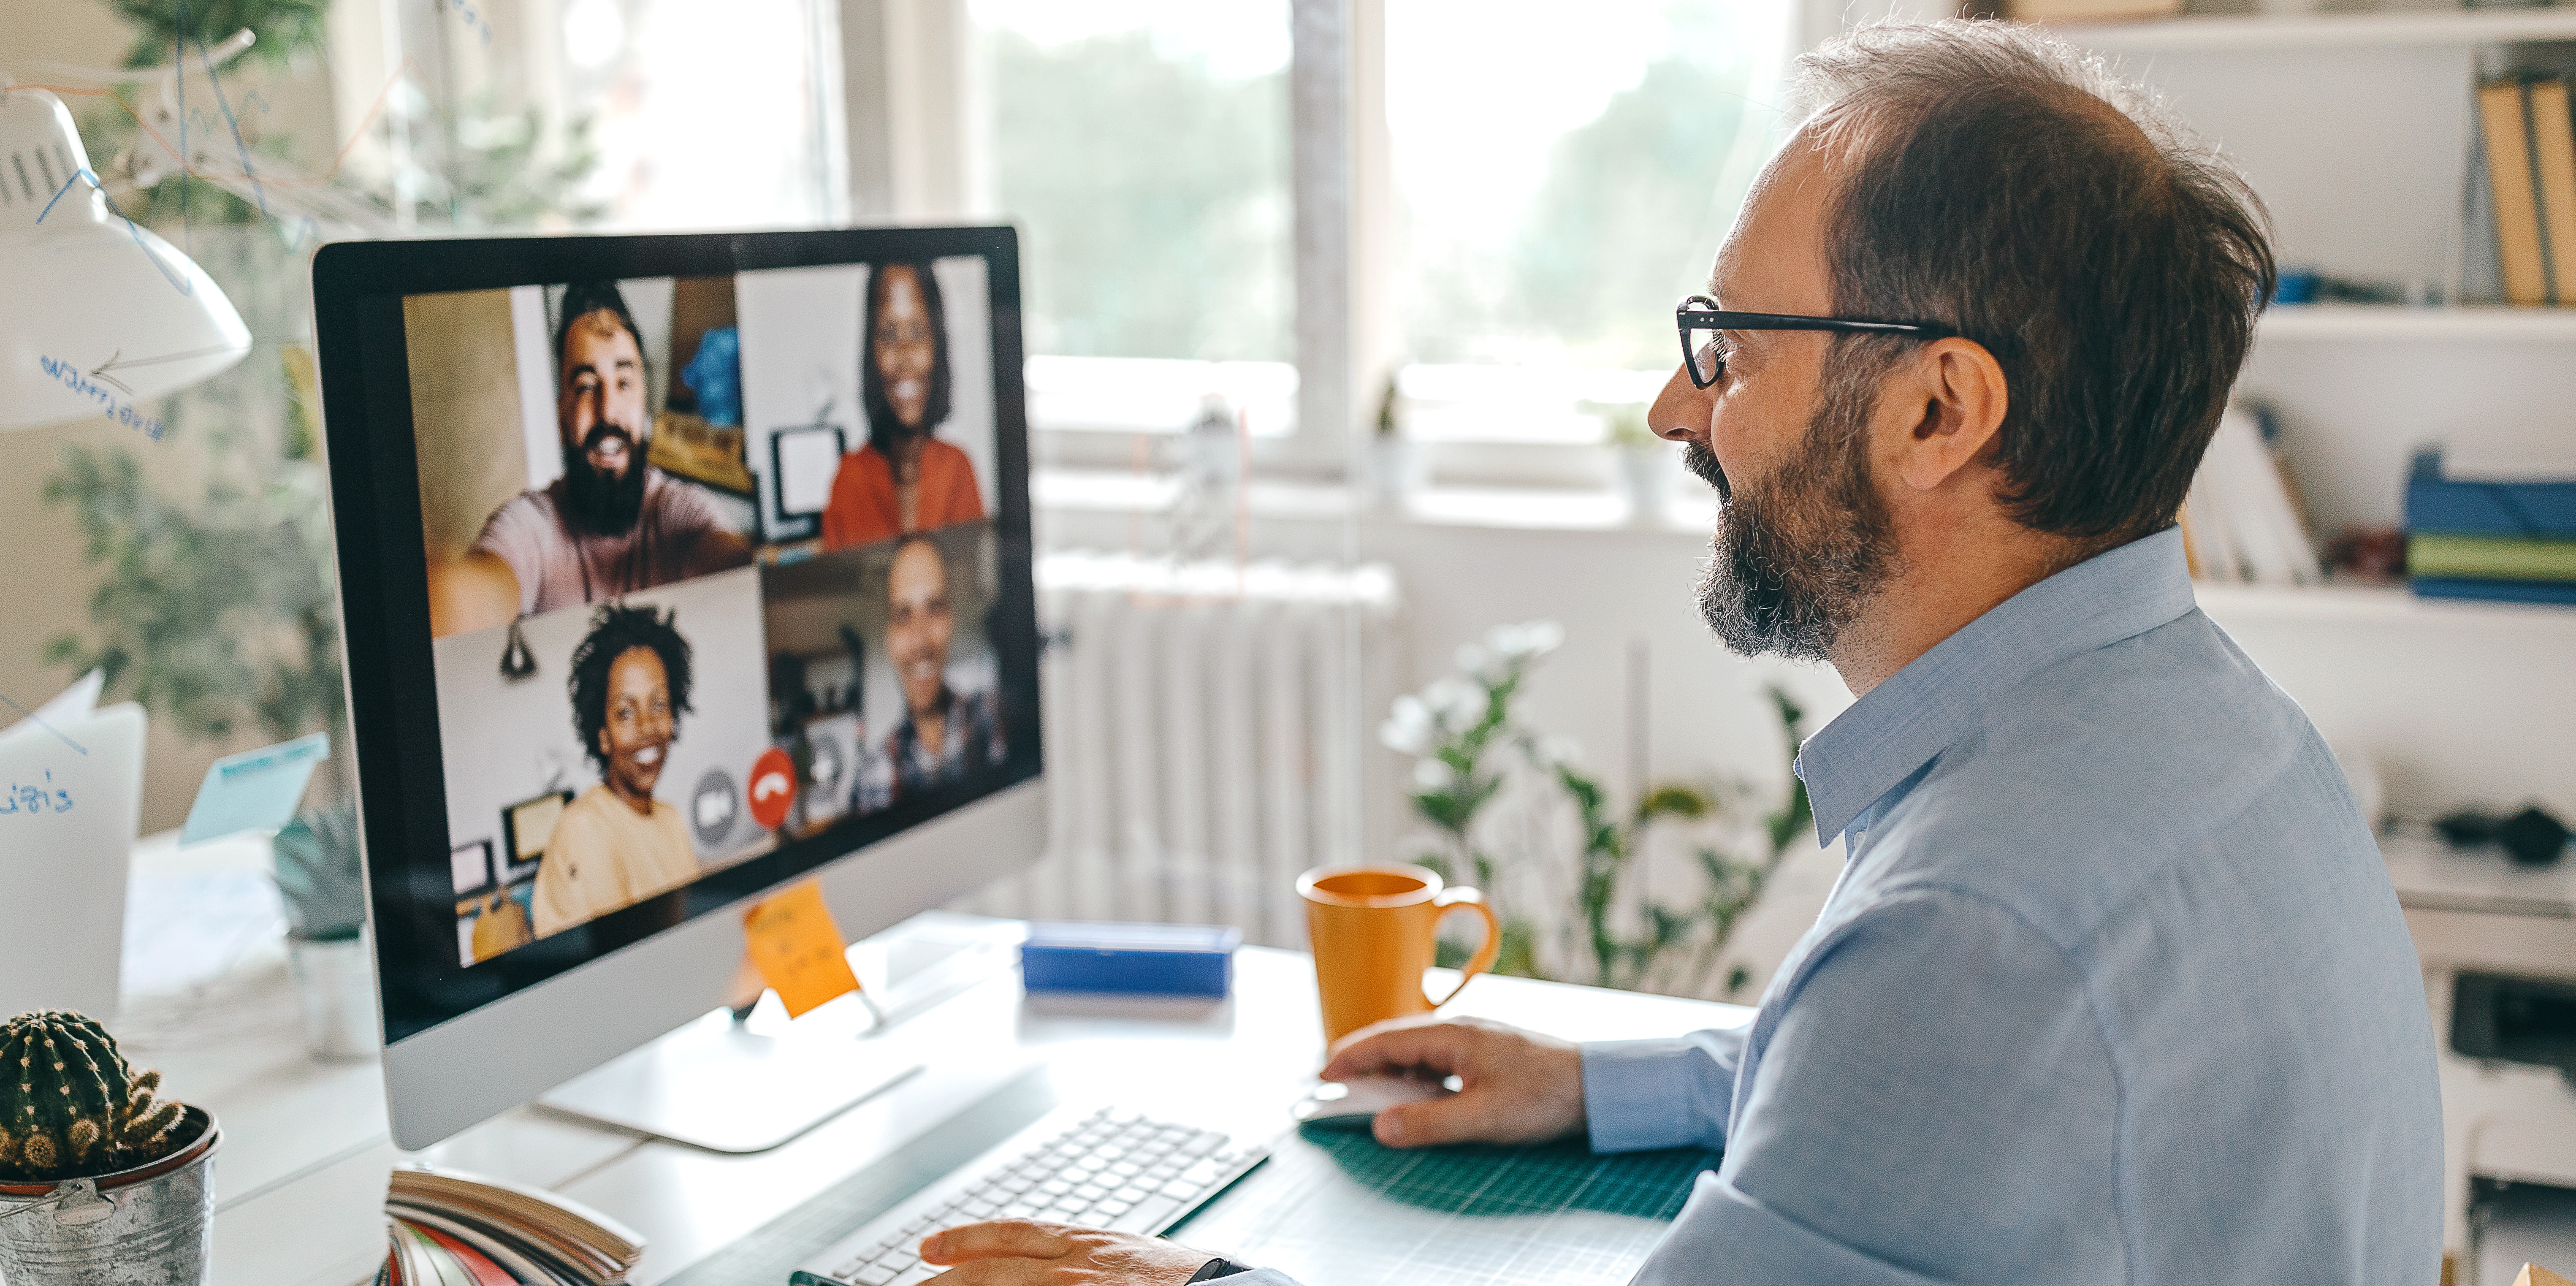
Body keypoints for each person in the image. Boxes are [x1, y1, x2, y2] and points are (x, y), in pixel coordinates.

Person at [908, 21, 2441, 1286]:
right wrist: (1605, 1082)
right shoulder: (2220, 738)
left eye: (1731, 349)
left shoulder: (1976, 926)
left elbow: (1963, 1021)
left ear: (1936, 411)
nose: (1673, 406)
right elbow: (1958, 1100)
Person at [429, 281, 755, 637]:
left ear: (644, 403)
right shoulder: (531, 528)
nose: (608, 410)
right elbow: (470, 595)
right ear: (562, 416)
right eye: (586, 386)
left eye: (624, 382)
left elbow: (734, 566)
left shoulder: (680, 511)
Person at [531, 604, 705, 939]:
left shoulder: (670, 820)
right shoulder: (584, 829)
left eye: (658, 705)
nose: (647, 726)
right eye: (626, 712)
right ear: (603, 737)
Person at [820, 262, 988, 550]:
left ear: (937, 346)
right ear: (872, 352)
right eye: (889, 335)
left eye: (918, 332)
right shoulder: (849, 480)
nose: (905, 354)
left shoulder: (957, 469)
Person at [854, 536, 1003, 812]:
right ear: (889, 639)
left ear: (951, 621)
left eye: (934, 609)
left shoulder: (995, 720)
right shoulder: (874, 774)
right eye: (903, 615)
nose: (921, 641)